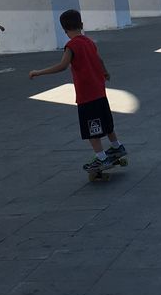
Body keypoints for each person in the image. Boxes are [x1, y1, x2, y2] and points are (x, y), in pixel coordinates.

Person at [28, 9, 126, 175]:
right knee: (107, 123)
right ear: (81, 24)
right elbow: (99, 59)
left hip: (86, 96)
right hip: (100, 92)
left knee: (92, 129)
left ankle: (101, 158)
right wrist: (105, 72)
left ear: (64, 29)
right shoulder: (89, 41)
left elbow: (63, 66)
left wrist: (39, 72)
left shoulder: (71, 46)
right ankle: (117, 147)